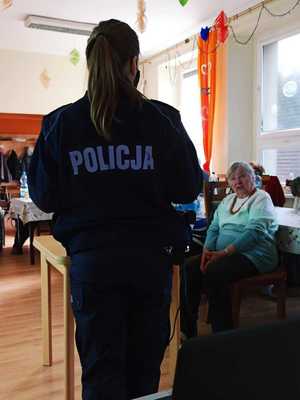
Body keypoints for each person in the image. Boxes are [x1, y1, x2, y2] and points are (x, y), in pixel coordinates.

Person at [28, 19, 202, 400]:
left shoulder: (60, 123)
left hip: (93, 266)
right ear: (135, 64)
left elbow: (43, 196)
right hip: (149, 263)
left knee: (101, 374)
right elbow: (189, 185)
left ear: (91, 64)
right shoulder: (163, 119)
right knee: (143, 375)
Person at [201, 161, 278, 333]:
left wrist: (224, 252)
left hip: (256, 255)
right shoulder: (228, 200)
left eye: (242, 176)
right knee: (188, 270)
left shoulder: (261, 198)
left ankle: (223, 333)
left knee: (215, 272)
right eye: (233, 178)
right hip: (223, 255)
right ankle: (186, 330)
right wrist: (207, 251)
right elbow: (214, 227)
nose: (238, 182)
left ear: (253, 178)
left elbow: (255, 232)